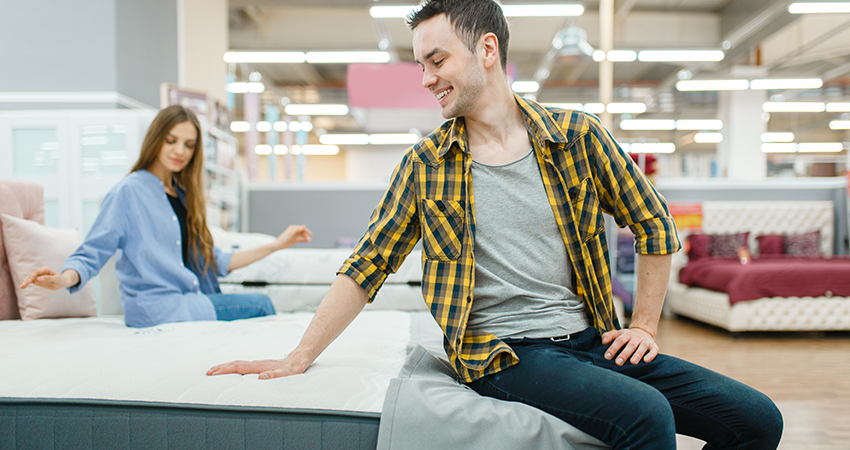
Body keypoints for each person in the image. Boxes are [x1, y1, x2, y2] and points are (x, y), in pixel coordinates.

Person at [207, 1, 783, 448]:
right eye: (421, 65)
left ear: (486, 49)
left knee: (757, 421)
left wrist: (646, 327)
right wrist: (299, 354)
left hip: (592, 339)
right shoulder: (426, 165)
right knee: (647, 414)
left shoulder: (576, 137)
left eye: (437, 61)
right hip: (506, 353)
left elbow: (654, 224)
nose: (427, 79)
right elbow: (367, 264)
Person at [20, 105, 313, 328]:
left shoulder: (183, 196)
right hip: (158, 309)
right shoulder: (128, 192)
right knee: (261, 305)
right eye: (171, 140)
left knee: (258, 306)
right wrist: (63, 279)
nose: (179, 151)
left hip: (189, 303)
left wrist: (277, 244)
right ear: (157, 139)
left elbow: (215, 262)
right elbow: (94, 251)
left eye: (189, 145)